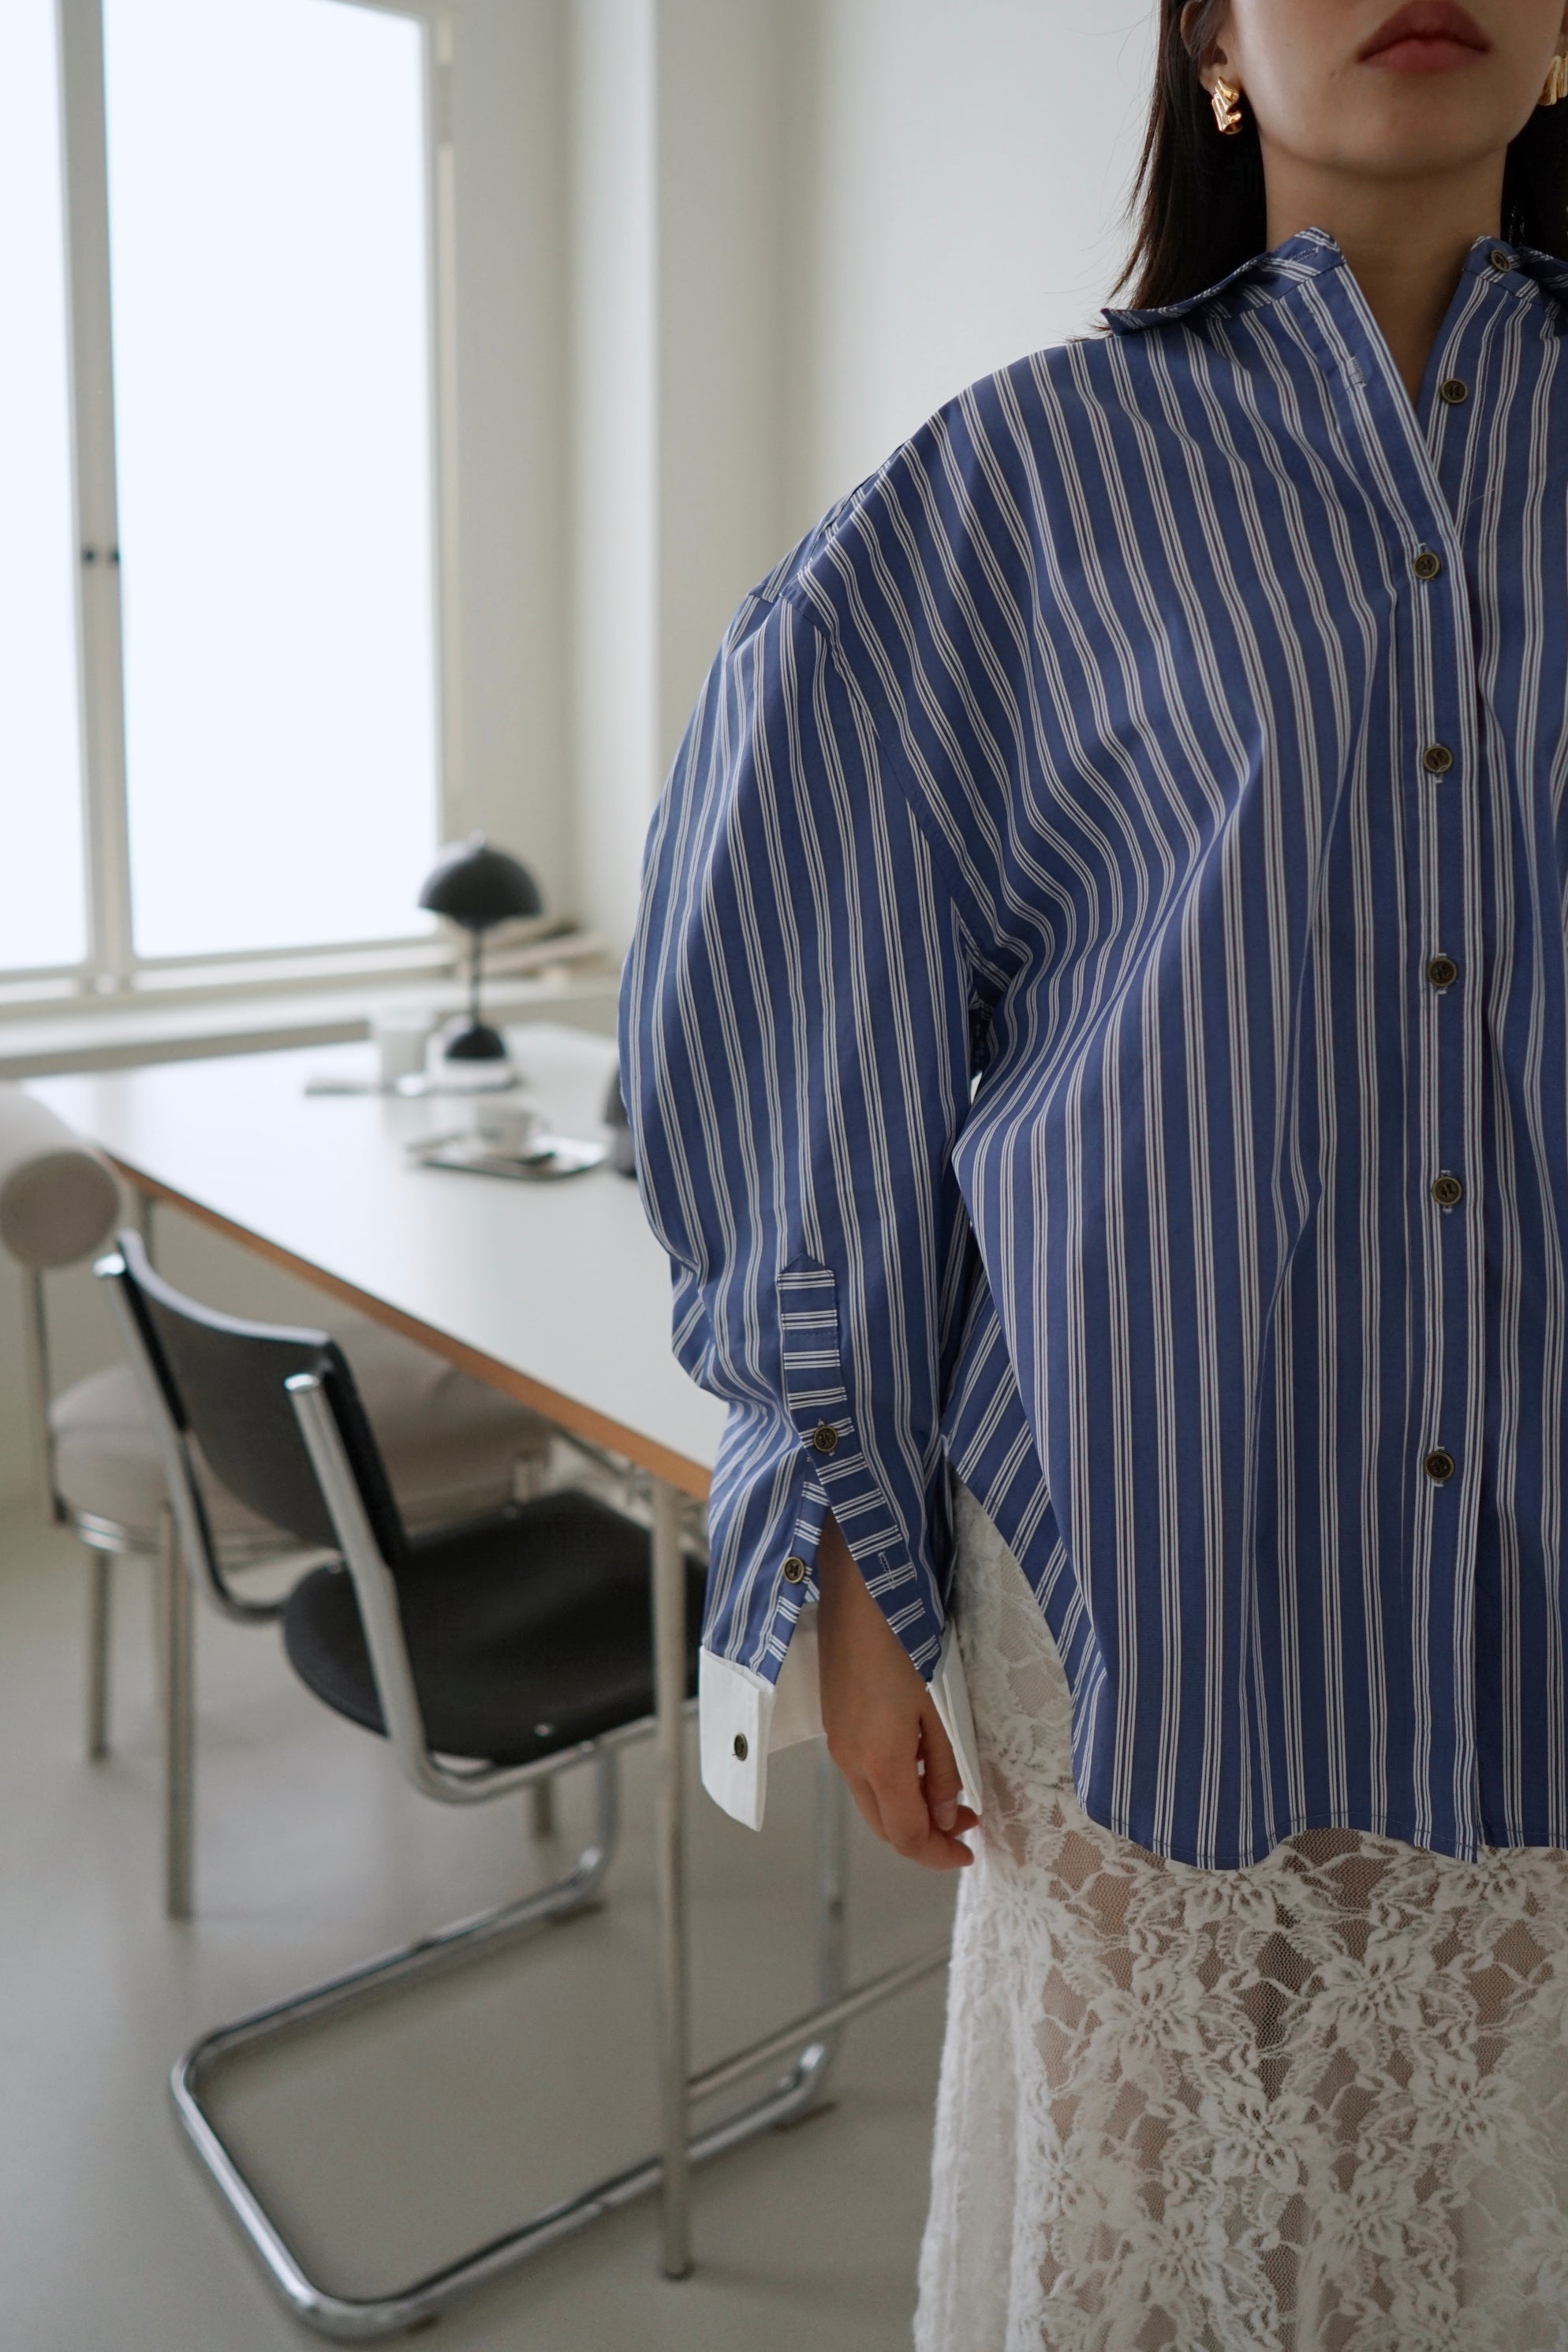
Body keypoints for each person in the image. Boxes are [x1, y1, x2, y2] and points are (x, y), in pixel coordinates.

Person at [621, 1, 1568, 2340]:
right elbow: (803, 980)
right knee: (1153, 2216)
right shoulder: (1024, 486)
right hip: (1140, 1545)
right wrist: (844, 1537)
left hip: (1543, 1536)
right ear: (1210, 45)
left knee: (1472, 2210)